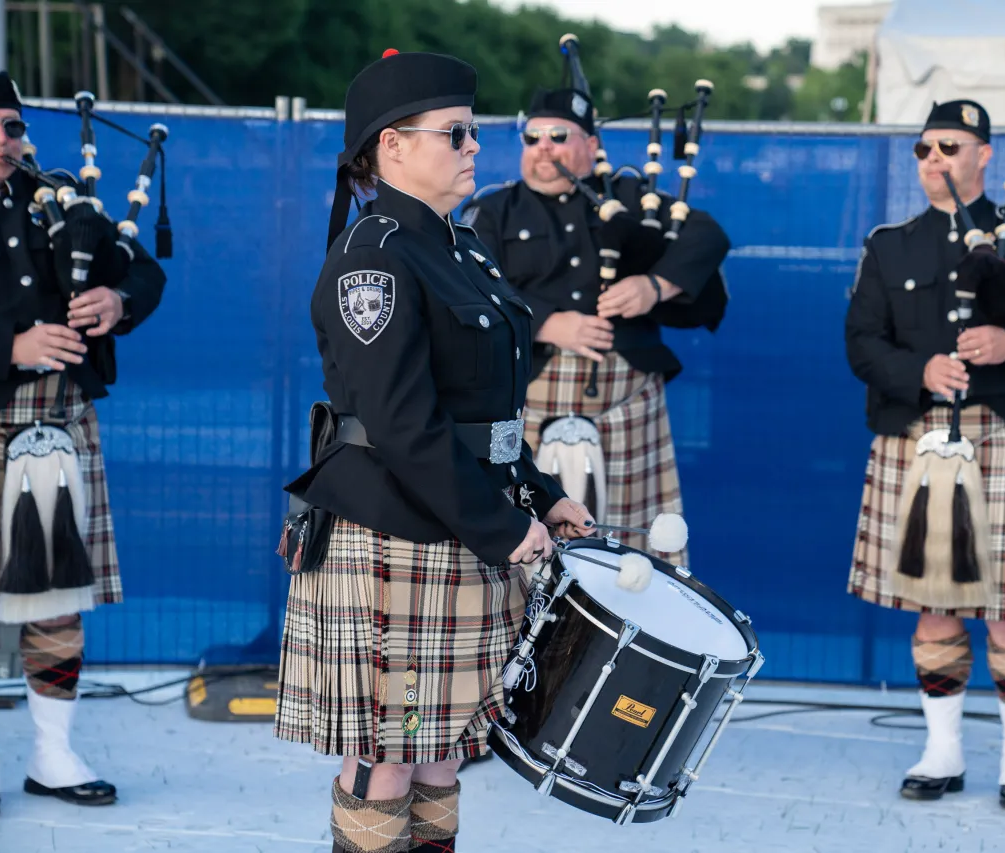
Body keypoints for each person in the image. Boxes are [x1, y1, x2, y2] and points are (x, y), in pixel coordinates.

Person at [272, 50, 596, 853]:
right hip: (395, 534)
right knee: (386, 757)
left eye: (473, 132)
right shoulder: (374, 255)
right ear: (392, 146)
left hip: (461, 527)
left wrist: (541, 490)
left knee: (440, 755)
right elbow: (401, 422)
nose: (474, 147)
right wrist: (502, 527)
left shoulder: (465, 250)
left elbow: (486, 416)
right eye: (456, 133)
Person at [843, 99, 1005, 812]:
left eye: (949, 147)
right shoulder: (889, 245)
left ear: (984, 154)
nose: (935, 160)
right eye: (924, 149)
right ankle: (944, 749)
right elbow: (862, 340)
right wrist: (920, 371)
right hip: (917, 438)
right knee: (933, 607)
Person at [0, 68, 166, 818]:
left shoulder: (57, 194)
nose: (1, 139)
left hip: (59, 424)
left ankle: (53, 755)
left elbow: (146, 274)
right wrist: (10, 344)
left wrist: (115, 299)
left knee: (56, 596)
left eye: (11, 125)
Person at [460, 84, 730, 570]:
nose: (543, 147)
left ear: (592, 145)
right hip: (534, 394)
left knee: (633, 555)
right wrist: (546, 322)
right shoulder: (493, 210)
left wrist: (656, 285)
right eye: (532, 137)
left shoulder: (629, 197)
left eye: (558, 135)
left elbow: (707, 234)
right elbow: (473, 281)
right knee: (533, 549)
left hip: (626, 401)